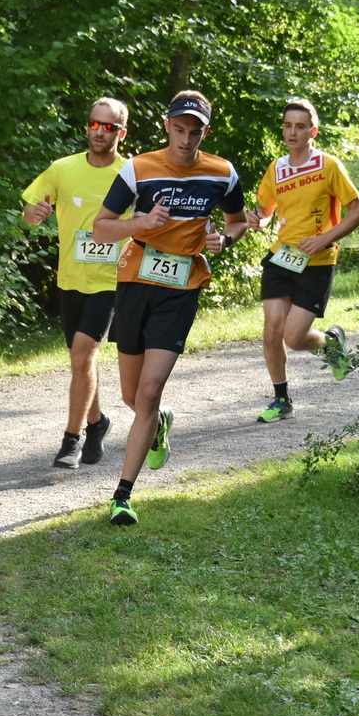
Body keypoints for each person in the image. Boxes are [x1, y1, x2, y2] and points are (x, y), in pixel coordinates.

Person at [91, 90, 250, 525]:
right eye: (179, 130)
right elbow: (101, 227)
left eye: (194, 132)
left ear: (205, 132)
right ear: (167, 126)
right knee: (131, 395)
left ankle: (121, 496)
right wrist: (140, 223)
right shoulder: (138, 168)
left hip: (182, 286)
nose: (186, 139)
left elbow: (237, 222)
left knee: (147, 392)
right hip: (136, 281)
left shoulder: (222, 173)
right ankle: (158, 423)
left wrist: (226, 240)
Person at [21, 98, 131, 468]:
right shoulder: (62, 169)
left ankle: (72, 439)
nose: (100, 132)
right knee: (82, 360)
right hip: (70, 280)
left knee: (83, 354)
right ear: (87, 126)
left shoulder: (132, 174)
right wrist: (34, 214)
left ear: (121, 132)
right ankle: (98, 423)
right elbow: (30, 209)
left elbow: (149, 223)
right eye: (94, 124)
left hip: (111, 281)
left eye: (109, 127)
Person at [249, 98, 359, 421]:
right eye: (288, 126)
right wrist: (257, 220)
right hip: (281, 259)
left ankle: (330, 342)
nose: (292, 132)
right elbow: (265, 211)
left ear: (312, 131)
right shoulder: (277, 168)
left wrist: (323, 238)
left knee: (294, 337)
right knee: (272, 331)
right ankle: (281, 399)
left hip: (318, 261)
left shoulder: (328, 166)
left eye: (300, 127)